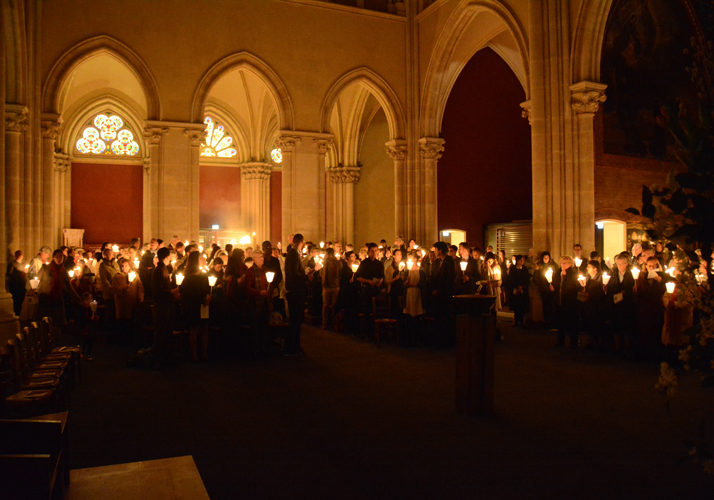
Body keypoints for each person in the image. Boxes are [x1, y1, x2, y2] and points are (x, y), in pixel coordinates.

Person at [147, 247, 178, 365]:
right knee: (161, 332)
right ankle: (158, 358)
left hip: (167, 305)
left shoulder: (163, 269)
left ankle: (165, 357)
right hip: (162, 307)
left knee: (167, 331)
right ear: (166, 257)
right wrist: (171, 292)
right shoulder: (159, 270)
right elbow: (158, 292)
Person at [284, 233, 312, 355]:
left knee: (297, 319)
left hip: (297, 291)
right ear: (301, 242)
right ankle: (290, 347)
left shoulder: (294, 254)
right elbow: (293, 274)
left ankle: (295, 345)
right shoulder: (293, 254)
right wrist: (306, 276)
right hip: (295, 292)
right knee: (295, 320)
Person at [634, 256, 666, 358]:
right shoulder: (642, 277)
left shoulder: (662, 276)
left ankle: (656, 351)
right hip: (645, 307)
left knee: (656, 329)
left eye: (654, 266)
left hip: (656, 307)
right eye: (649, 266)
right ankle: (645, 350)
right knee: (645, 330)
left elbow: (665, 290)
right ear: (646, 267)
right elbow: (639, 293)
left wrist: (660, 281)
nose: (651, 268)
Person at [607, 252, 637, 355]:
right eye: (617, 264)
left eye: (621, 264)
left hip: (627, 304)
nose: (619, 266)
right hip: (616, 304)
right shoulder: (614, 273)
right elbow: (611, 286)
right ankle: (617, 347)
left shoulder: (632, 274)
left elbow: (633, 287)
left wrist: (626, 292)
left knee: (627, 326)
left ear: (626, 264)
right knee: (616, 325)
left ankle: (628, 348)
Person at [244, 250, 271, 357]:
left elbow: (270, 286)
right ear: (254, 259)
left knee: (264, 328)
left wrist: (270, 300)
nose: (262, 258)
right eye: (259, 257)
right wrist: (259, 292)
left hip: (264, 302)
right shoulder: (250, 272)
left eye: (262, 257)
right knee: (255, 329)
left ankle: (264, 350)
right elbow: (248, 288)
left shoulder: (266, 270)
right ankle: (255, 351)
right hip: (254, 304)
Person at [112, 258, 145, 346]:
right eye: (122, 266)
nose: (123, 268)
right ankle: (121, 342)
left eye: (125, 266)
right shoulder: (117, 276)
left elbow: (140, 288)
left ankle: (131, 341)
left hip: (132, 303)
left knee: (131, 323)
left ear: (129, 266)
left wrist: (141, 298)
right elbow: (114, 288)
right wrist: (123, 288)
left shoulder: (135, 275)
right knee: (122, 323)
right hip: (122, 304)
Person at [553, 256, 580, 348]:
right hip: (560, 302)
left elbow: (575, 287)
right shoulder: (558, 273)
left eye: (564, 263)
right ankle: (560, 341)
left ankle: (574, 341)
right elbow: (556, 283)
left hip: (569, 303)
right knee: (560, 323)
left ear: (570, 264)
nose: (562, 265)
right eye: (561, 263)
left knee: (571, 323)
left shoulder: (573, 275)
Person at [581, 260, 605, 348]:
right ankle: (592, 340)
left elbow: (601, 291)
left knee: (597, 323)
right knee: (590, 323)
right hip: (589, 305)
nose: (587, 269)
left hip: (597, 305)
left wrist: (590, 294)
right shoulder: (588, 277)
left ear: (595, 269)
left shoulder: (601, 278)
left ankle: (599, 342)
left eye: (589, 267)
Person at [321, 248, 341, 330]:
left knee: (334, 306)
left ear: (331, 255)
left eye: (326, 254)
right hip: (326, 286)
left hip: (335, 287)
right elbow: (321, 273)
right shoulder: (324, 263)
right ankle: (325, 323)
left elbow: (340, 272)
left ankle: (334, 323)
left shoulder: (338, 263)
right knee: (325, 306)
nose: (325, 256)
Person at [508, 255, 530, 327]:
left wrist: (522, 286)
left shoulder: (525, 269)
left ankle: (522, 320)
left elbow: (526, 279)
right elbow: (511, 279)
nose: (522, 262)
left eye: (523, 260)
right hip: (515, 289)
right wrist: (516, 287)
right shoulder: (513, 269)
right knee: (516, 306)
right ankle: (516, 320)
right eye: (520, 260)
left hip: (523, 290)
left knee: (522, 306)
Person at [6, 250, 27, 316]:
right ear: (15, 256)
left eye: (21, 254)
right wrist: (19, 274)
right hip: (15, 286)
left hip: (22, 286)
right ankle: (15, 315)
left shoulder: (23, 264)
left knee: (20, 302)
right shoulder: (12, 264)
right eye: (18, 254)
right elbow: (9, 274)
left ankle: (19, 315)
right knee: (15, 302)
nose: (20, 256)